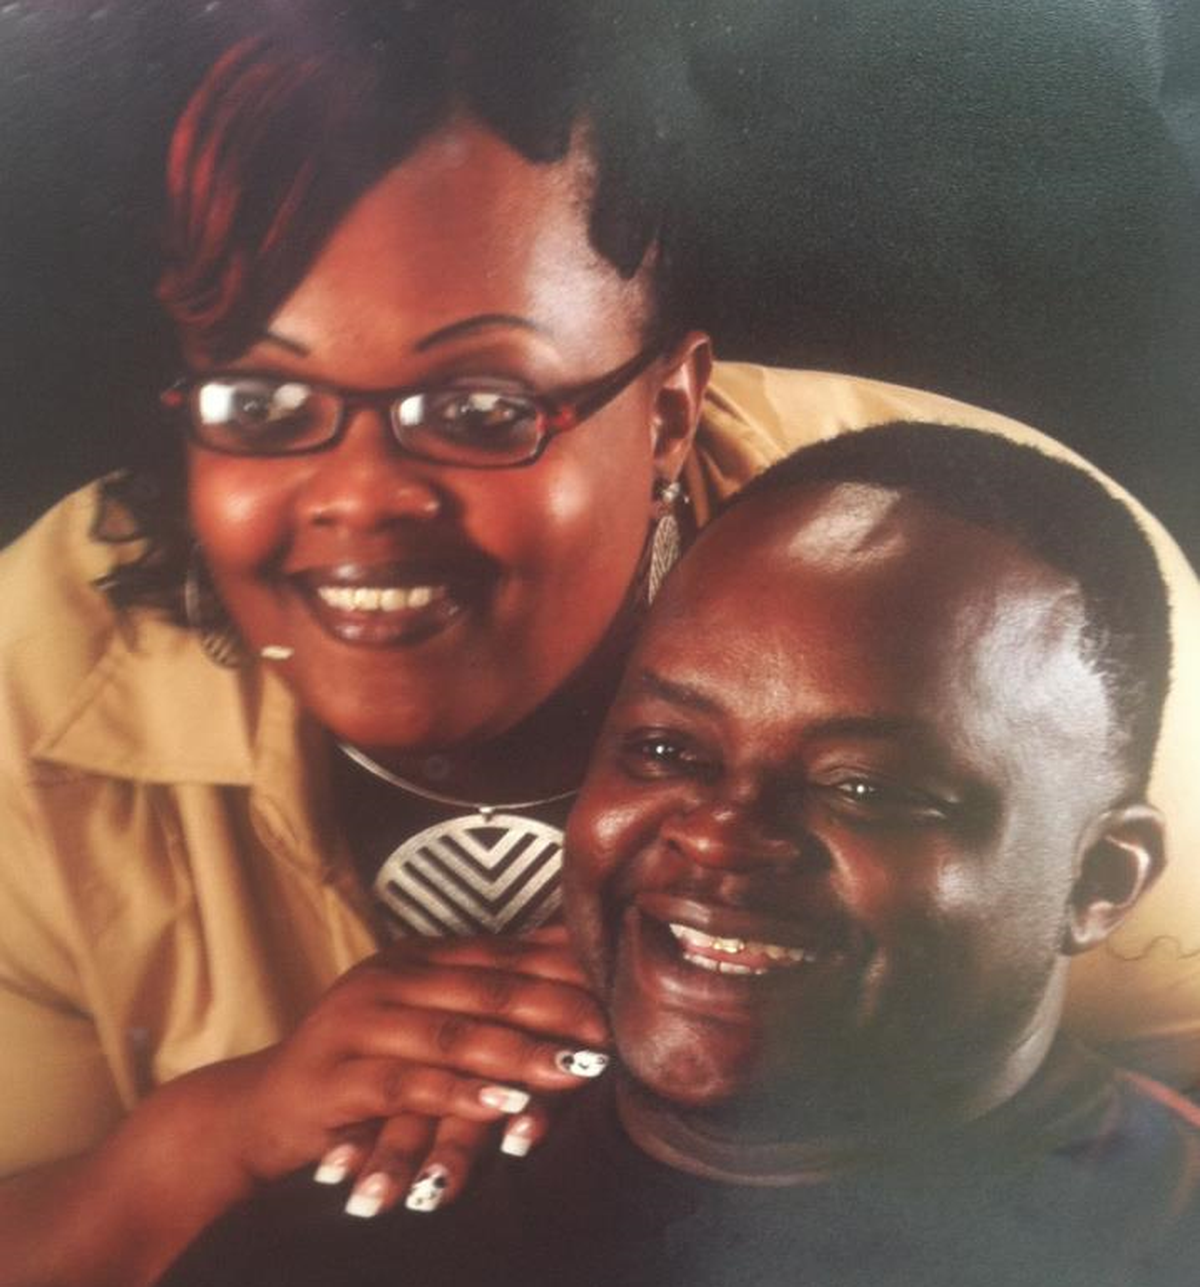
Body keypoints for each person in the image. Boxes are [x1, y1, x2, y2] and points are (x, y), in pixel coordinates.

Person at [2, 9, 1200, 1285]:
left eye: (479, 407)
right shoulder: (36, 675)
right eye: (267, 400)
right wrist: (215, 1135)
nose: (356, 502)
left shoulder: (1004, 588)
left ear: (672, 406)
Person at [163, 424, 1200, 1287]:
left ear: (1099, 880)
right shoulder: (333, 1246)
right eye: (667, 750)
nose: (717, 829)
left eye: (866, 788)